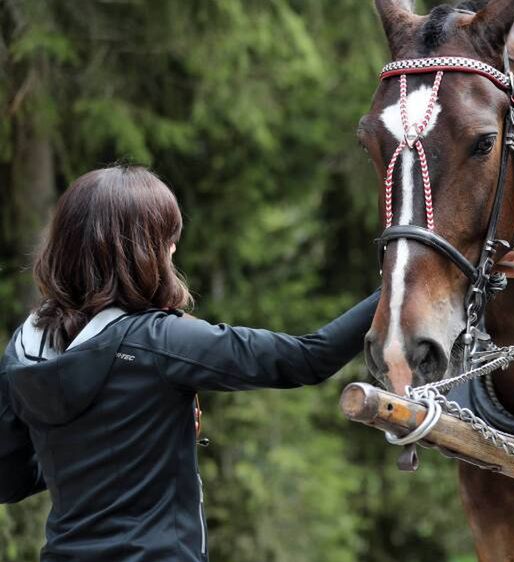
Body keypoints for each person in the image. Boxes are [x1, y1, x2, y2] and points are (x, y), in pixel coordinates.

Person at [0, 165, 379, 561]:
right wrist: (400, 283)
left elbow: (7, 481)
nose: (173, 250)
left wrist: (84, 460)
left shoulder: (24, 351)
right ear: (143, 251)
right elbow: (308, 358)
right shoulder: (158, 341)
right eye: (168, 240)